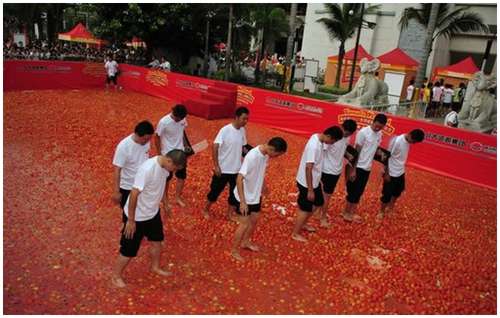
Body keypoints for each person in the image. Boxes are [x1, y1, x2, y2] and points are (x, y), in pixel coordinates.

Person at [112, 149, 187, 288]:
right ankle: (116, 276)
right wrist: (131, 220)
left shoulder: (165, 168)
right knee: (128, 250)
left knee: (157, 241)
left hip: (152, 213)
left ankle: (155, 267)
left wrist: (165, 202)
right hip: (138, 216)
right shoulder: (147, 169)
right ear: (169, 161)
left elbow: (162, 184)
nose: (174, 171)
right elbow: (134, 194)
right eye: (175, 168)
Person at [230, 137, 288, 261]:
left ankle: (245, 242)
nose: (276, 157)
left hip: (255, 195)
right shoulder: (252, 157)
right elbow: (239, 178)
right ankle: (234, 250)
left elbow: (260, 172)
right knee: (244, 224)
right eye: (277, 155)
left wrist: (263, 186)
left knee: (254, 219)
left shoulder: (265, 155)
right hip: (244, 197)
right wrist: (243, 202)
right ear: (272, 149)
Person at [292, 126, 344, 242]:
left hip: (314, 181)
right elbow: (308, 168)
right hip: (306, 183)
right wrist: (310, 189)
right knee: (305, 208)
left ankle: (303, 224)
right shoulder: (314, 146)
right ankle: (295, 233)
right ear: (329, 136)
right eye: (333, 141)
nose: (332, 144)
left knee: (319, 202)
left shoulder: (317, 138)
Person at [202, 107, 250, 220]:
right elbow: (215, 146)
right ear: (237, 117)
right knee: (215, 191)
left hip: (236, 170)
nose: (245, 121)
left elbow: (244, 148)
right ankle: (206, 209)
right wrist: (216, 165)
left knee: (234, 194)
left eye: (247, 119)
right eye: (244, 119)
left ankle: (229, 214)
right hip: (223, 169)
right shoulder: (225, 130)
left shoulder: (243, 131)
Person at [343, 113, 388, 223]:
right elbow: (356, 151)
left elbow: (375, 148)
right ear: (373, 121)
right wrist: (353, 169)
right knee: (352, 191)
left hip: (367, 167)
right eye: (376, 126)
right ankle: (346, 212)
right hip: (357, 166)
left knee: (359, 191)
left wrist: (380, 153)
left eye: (380, 127)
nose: (377, 129)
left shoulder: (379, 134)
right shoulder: (363, 132)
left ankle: (352, 212)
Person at [317, 119, 358, 228]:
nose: (345, 135)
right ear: (341, 126)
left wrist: (347, 155)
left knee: (325, 195)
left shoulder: (346, 138)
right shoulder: (333, 136)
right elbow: (322, 150)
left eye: (349, 134)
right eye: (345, 132)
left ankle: (318, 213)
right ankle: (323, 217)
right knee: (326, 196)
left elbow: (342, 148)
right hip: (326, 170)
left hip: (336, 171)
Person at [378, 129, 425, 220]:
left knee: (397, 192)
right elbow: (386, 156)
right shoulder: (397, 141)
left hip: (400, 171)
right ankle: (381, 211)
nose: (413, 143)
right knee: (386, 194)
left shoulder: (408, 141)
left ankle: (390, 208)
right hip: (391, 172)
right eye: (414, 141)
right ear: (410, 135)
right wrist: (386, 173)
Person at [112, 121, 155, 209]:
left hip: (142, 183)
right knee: (127, 212)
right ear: (137, 134)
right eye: (145, 139)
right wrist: (116, 191)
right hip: (128, 186)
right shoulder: (124, 147)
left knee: (141, 209)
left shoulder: (146, 142)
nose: (147, 142)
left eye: (149, 139)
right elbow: (117, 169)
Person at [155, 104, 191, 208]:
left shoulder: (182, 120)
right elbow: (157, 137)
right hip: (168, 154)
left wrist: (185, 145)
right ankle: (164, 198)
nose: (178, 120)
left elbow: (182, 132)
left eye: (180, 119)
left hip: (180, 152)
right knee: (167, 178)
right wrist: (159, 153)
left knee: (181, 176)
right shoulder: (163, 122)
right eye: (176, 118)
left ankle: (177, 197)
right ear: (172, 112)